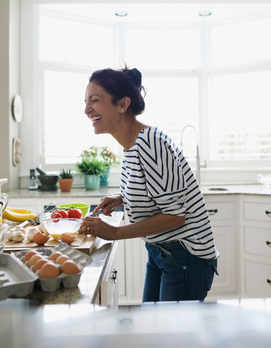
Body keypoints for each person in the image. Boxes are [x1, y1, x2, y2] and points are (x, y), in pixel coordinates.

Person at [79, 66, 219, 302]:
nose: (86, 109)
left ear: (122, 104)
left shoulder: (151, 143)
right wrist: (121, 197)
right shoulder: (131, 144)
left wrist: (115, 232)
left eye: (94, 100)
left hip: (185, 254)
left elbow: (175, 216)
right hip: (160, 251)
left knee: (169, 337)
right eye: (85, 102)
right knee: (155, 328)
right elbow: (152, 187)